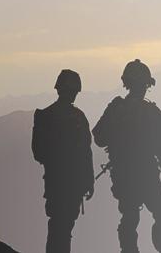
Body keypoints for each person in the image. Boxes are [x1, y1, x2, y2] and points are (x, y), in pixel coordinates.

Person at [92, 59, 161, 253]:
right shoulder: (150, 111)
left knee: (130, 217)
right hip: (146, 173)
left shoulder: (116, 109)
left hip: (124, 174)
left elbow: (99, 137)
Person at [31, 69, 94, 253]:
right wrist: (88, 180)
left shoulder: (46, 116)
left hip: (58, 182)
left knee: (60, 226)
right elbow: (86, 152)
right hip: (68, 182)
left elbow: (38, 153)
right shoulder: (78, 118)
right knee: (62, 226)